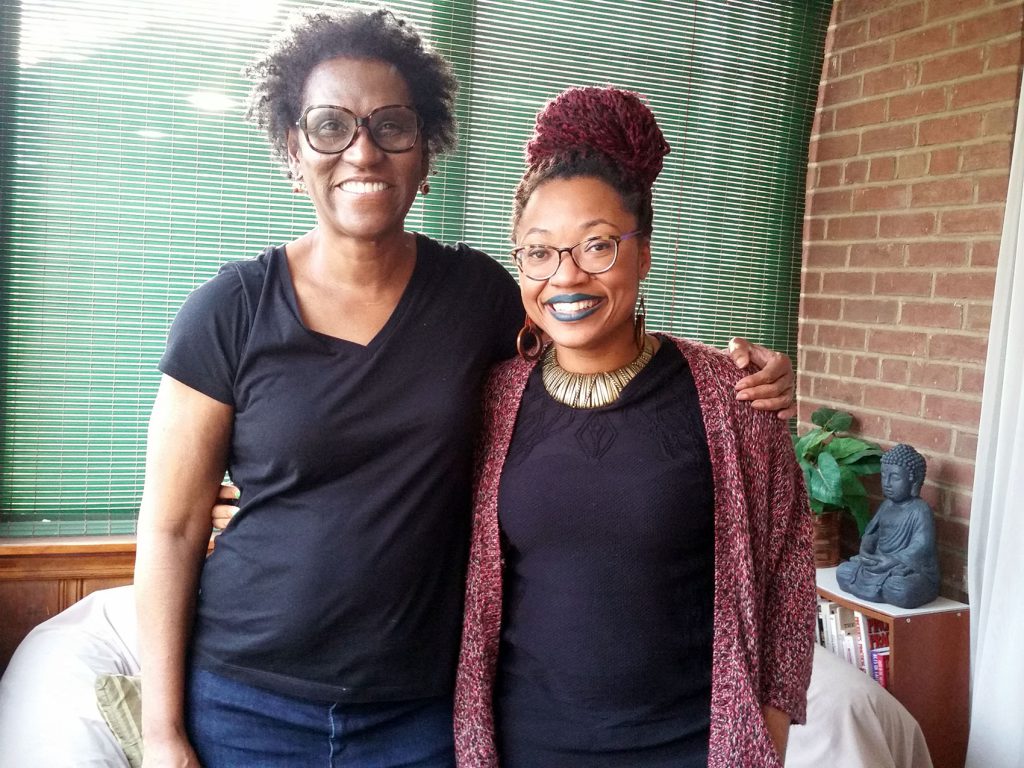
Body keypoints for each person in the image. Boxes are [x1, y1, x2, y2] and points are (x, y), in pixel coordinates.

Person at [136, 6, 797, 768]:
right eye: (329, 126)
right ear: (293, 146)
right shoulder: (229, 311)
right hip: (247, 702)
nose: (363, 150)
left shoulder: (476, 297)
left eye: (391, 126)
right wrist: (161, 732)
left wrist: (738, 372)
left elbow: (588, 320)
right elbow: (173, 528)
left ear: (425, 155)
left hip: (419, 714)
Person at [452, 86, 815, 768]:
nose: (567, 275)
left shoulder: (735, 399)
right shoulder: (491, 400)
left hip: (688, 748)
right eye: (540, 251)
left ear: (643, 252)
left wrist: (766, 731)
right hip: (526, 746)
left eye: (597, 245)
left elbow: (790, 578)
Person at [836, 444, 940, 609]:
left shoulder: (920, 509)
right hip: (878, 564)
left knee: (900, 590)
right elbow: (872, 533)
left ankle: (890, 588)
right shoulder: (886, 505)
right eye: (884, 476)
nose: (887, 483)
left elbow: (922, 546)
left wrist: (891, 561)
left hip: (903, 567)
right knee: (843, 571)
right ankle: (881, 586)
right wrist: (866, 551)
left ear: (913, 480)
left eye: (895, 478)